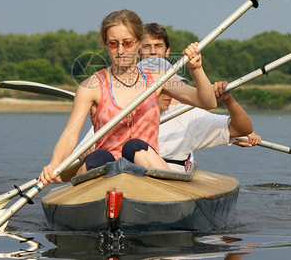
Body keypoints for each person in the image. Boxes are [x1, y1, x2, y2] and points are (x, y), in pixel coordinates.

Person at [38, 10, 217, 185]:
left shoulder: (158, 78)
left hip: (146, 168)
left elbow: (208, 102)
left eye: (128, 43)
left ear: (139, 43)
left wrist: (196, 70)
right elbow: (70, 135)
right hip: (104, 172)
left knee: (134, 147)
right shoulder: (90, 87)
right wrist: (54, 163)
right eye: (113, 44)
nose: (121, 50)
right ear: (105, 44)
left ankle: (168, 185)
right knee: (100, 157)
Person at [74, 23, 260, 174]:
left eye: (169, 87)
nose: (167, 93)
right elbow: (67, 171)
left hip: (170, 181)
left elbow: (242, 128)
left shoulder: (188, 114)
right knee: (101, 157)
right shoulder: (116, 115)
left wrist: (228, 101)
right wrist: (84, 157)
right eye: (146, 46)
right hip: (124, 178)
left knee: (133, 147)